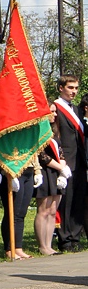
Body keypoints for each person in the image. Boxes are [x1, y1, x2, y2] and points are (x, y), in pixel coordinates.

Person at [53, 75, 86, 252]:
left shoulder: (78, 110)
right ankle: (64, 239)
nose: (74, 91)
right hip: (65, 160)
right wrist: (61, 158)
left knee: (78, 200)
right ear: (61, 88)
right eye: (70, 87)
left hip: (79, 160)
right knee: (66, 201)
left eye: (76, 88)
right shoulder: (55, 108)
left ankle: (75, 237)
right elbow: (55, 134)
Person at [34, 104, 68, 256]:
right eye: (51, 112)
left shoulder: (55, 132)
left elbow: (61, 153)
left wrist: (63, 170)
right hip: (46, 171)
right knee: (44, 210)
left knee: (53, 210)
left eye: (55, 112)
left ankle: (49, 245)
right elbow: (42, 156)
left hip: (57, 173)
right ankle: (42, 246)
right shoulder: (40, 132)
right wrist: (60, 168)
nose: (54, 115)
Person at [0, 157, 41, 260]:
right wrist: (8, 172)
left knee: (22, 213)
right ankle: (9, 248)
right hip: (14, 169)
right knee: (13, 212)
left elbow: (33, 148)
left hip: (29, 168)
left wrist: (37, 170)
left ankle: (18, 247)